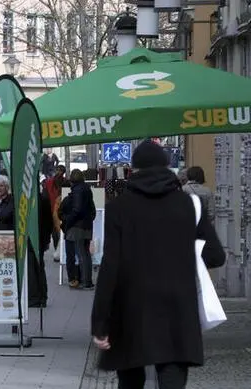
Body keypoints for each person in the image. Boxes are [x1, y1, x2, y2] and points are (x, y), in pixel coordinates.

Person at [91, 140, 225, 389]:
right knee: (172, 371)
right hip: (177, 304)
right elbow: (217, 256)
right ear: (166, 166)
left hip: (131, 305)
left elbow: (110, 267)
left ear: (135, 168)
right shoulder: (188, 205)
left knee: (130, 376)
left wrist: (100, 322)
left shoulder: (119, 208)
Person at [60, 169, 96, 289]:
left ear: (72, 180)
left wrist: (68, 221)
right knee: (85, 253)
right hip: (87, 225)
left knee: (80, 254)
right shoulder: (87, 189)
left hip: (77, 226)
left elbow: (77, 210)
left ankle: (86, 282)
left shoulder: (77, 191)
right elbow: (92, 209)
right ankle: (88, 280)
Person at [44, 165, 67, 262]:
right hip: (52, 210)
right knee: (55, 232)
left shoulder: (66, 182)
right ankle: (58, 250)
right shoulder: (49, 183)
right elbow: (45, 197)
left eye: (61, 171)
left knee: (60, 231)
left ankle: (60, 251)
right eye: (58, 170)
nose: (59, 173)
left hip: (63, 210)